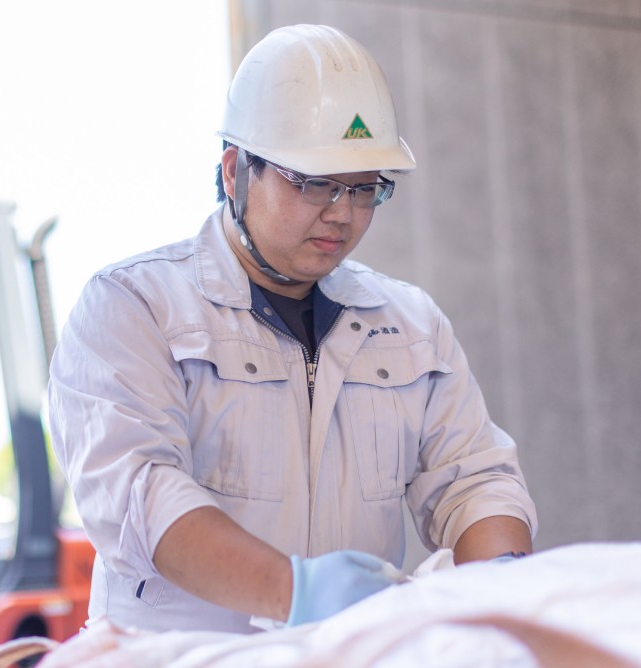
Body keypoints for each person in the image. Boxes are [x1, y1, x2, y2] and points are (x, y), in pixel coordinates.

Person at [48, 23, 537, 634]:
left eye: (364, 190)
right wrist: (295, 593)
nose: (342, 214)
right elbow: (139, 498)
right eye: (313, 184)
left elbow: (475, 481)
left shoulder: (410, 326)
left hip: (349, 652)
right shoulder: (134, 307)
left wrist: (501, 587)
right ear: (234, 171)